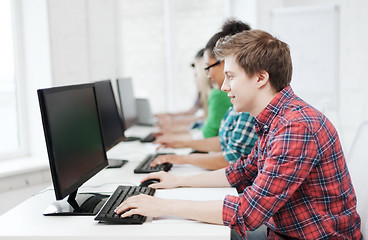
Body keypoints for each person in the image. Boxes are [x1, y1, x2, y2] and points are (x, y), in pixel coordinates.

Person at [115, 30, 362, 239]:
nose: (223, 86)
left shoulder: (294, 127)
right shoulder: (278, 119)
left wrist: (160, 206)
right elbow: (242, 170)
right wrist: (178, 181)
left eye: (231, 77)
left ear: (261, 78)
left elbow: (247, 214)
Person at [151, 20, 257, 170]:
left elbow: (232, 160)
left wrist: (182, 158)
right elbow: (225, 143)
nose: (206, 75)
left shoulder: (247, 103)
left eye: (207, 67)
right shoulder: (236, 100)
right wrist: (179, 145)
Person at [155, 48, 212, 134]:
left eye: (197, 74)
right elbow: (190, 112)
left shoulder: (216, 94)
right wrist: (168, 117)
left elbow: (203, 119)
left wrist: (172, 123)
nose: (196, 79)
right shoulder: (202, 92)